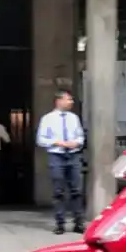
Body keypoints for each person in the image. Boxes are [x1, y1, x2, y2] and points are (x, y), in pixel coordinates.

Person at [36, 90, 85, 234]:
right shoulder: (47, 119)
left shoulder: (74, 118)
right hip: (56, 156)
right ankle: (60, 223)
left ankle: (78, 223)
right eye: (68, 99)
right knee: (58, 191)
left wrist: (76, 143)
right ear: (59, 101)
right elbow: (41, 139)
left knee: (76, 190)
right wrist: (58, 142)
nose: (71, 102)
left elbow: (80, 136)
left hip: (73, 155)